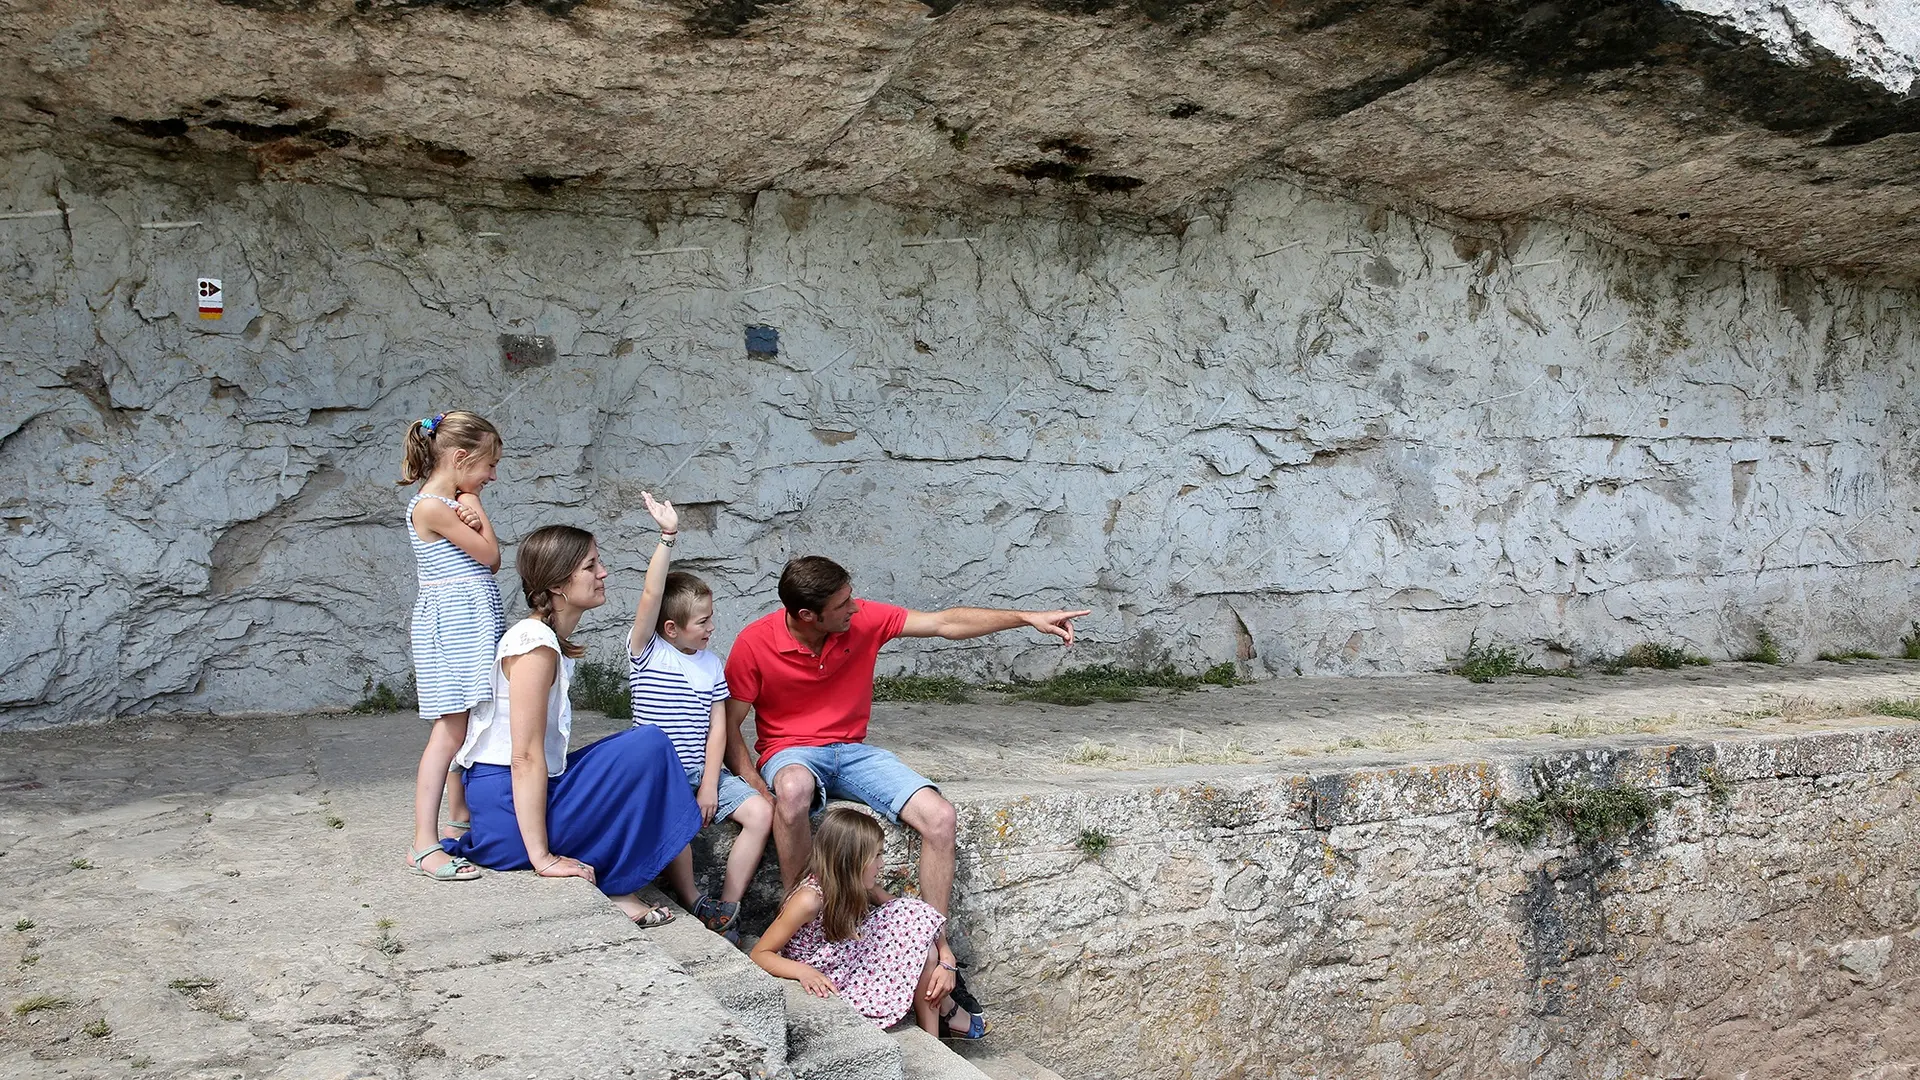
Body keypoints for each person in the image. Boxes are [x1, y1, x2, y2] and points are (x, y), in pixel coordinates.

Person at [723, 555, 1088, 1006]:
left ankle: (933, 953)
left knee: (940, 817)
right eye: (842, 605)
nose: (855, 609)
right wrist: (759, 786)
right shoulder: (755, 643)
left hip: (854, 752)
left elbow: (943, 624)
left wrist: (1023, 618)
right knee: (792, 790)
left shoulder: (861, 618)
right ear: (807, 616)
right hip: (791, 751)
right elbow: (729, 723)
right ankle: (799, 922)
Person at [443, 523, 701, 926]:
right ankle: (619, 883)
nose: (603, 573)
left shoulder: (543, 639)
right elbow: (524, 756)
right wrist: (542, 858)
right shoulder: (534, 645)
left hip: (510, 798)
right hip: (508, 811)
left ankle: (622, 880)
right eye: (590, 565)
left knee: (638, 749)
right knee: (648, 747)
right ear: (561, 583)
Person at [624, 494, 774, 942]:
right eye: (702, 622)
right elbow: (652, 594)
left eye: (712, 619)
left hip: (699, 769)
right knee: (680, 825)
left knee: (761, 813)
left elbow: (717, 726)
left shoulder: (711, 662)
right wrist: (667, 536)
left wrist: (711, 781)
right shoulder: (646, 651)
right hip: (660, 774)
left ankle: (728, 901)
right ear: (671, 629)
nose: (712, 628)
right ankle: (692, 899)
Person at [751, 807, 986, 1039]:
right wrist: (803, 972)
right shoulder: (809, 899)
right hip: (829, 970)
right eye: (877, 856)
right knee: (925, 953)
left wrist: (947, 957)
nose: (882, 864)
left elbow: (914, 914)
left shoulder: (856, 883)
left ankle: (934, 1039)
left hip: (847, 953)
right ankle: (944, 1019)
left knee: (924, 944)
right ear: (852, 860)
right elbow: (760, 953)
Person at [398, 410, 505, 882]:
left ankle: (460, 817)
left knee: (474, 721)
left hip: (473, 622)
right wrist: (476, 509)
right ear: (461, 458)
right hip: (454, 627)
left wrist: (470, 502)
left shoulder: (449, 501)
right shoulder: (433, 506)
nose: (492, 476)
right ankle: (424, 843)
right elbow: (491, 557)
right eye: (488, 465)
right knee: (450, 731)